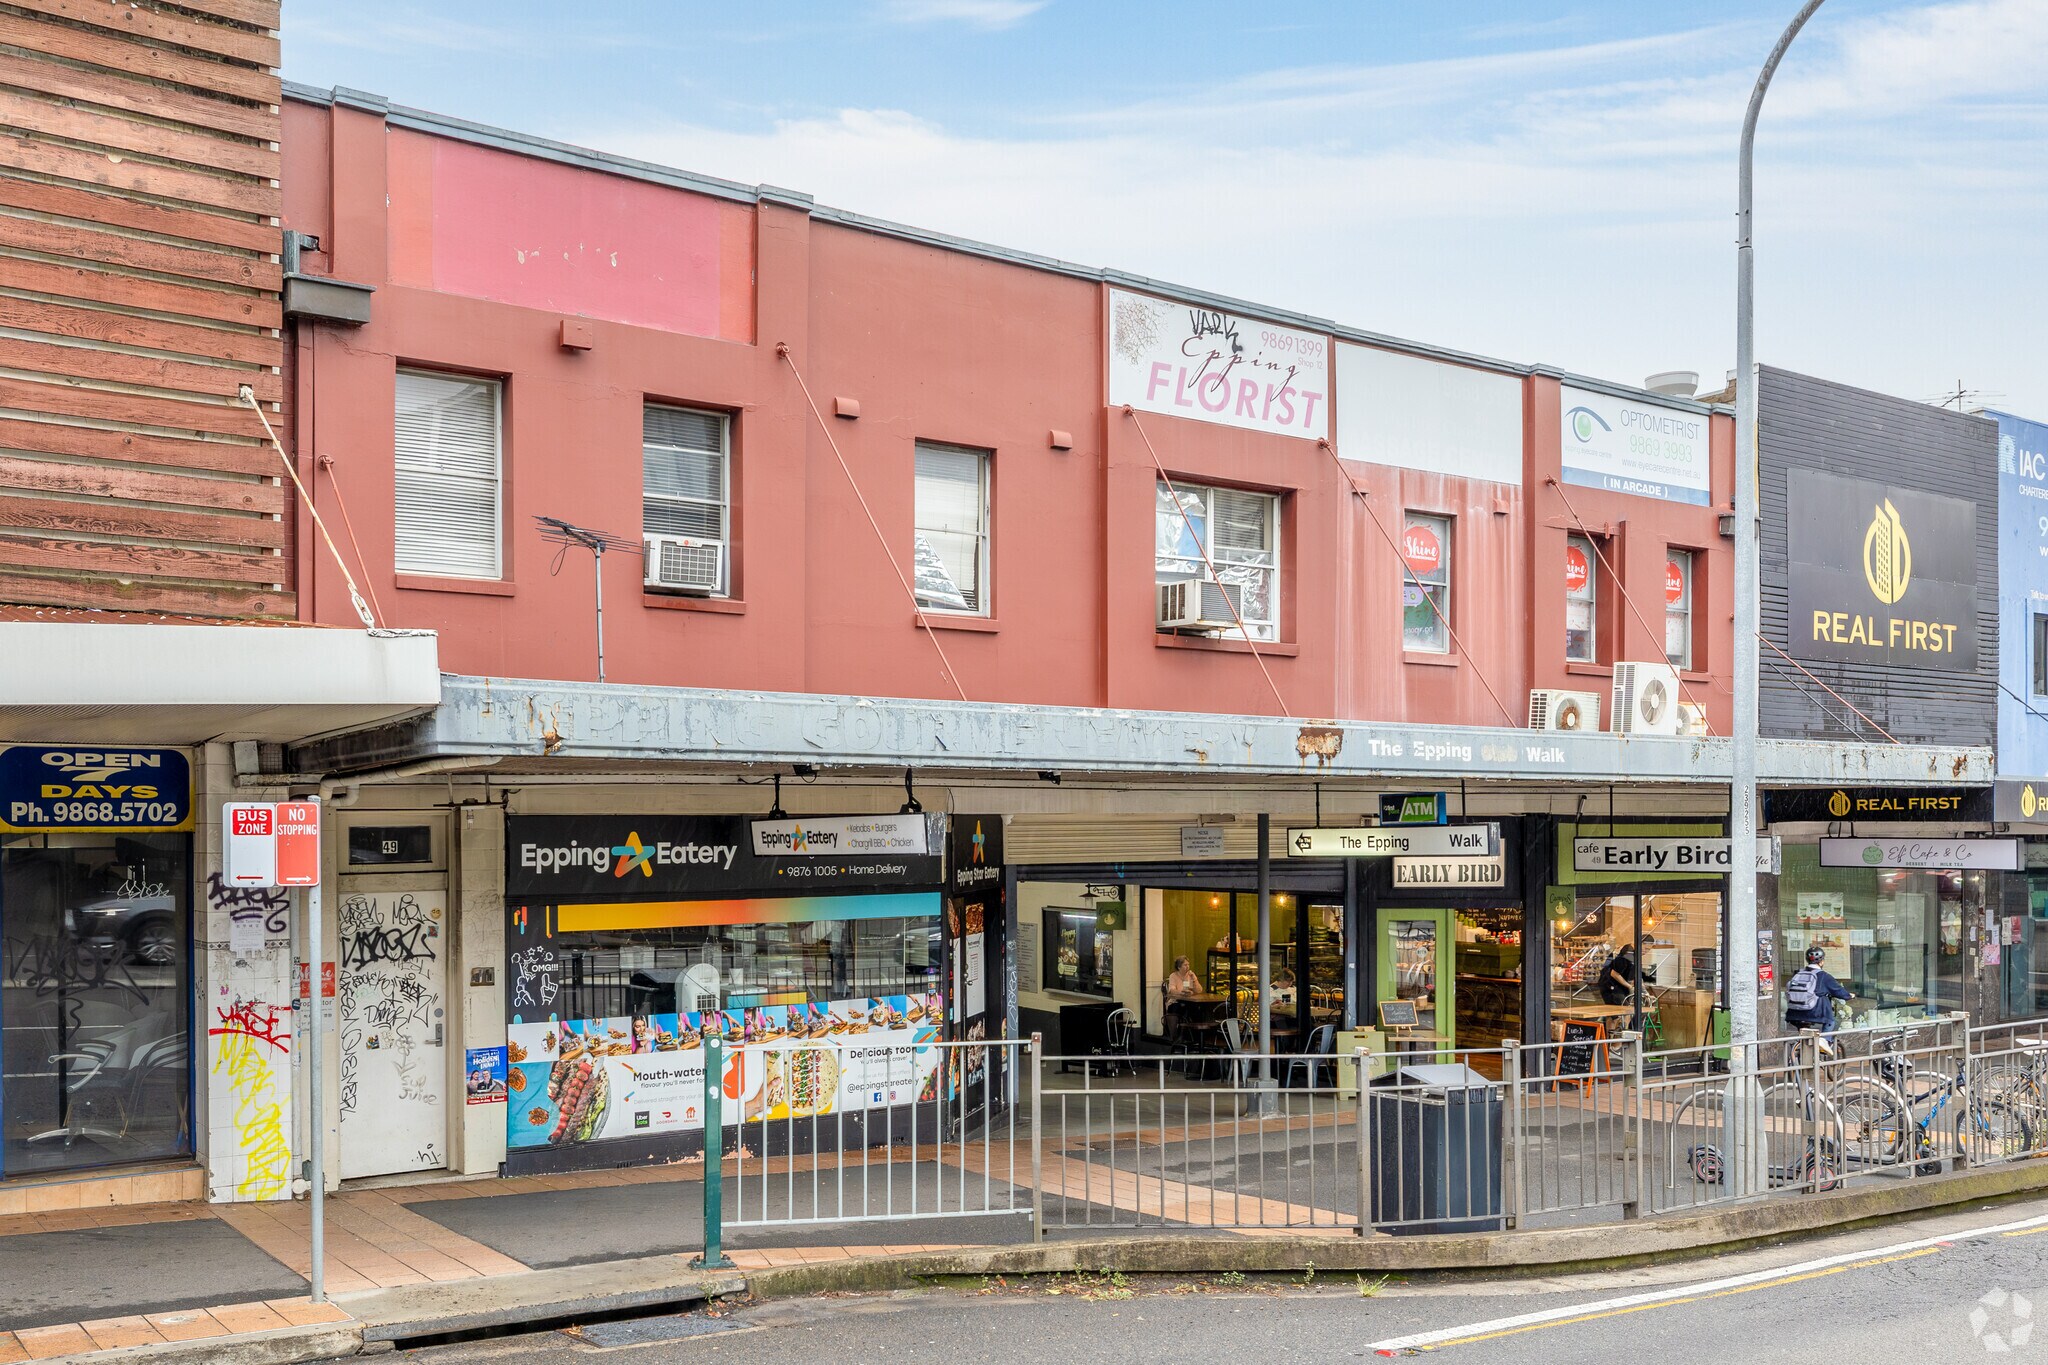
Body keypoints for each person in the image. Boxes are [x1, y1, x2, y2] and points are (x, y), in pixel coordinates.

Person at [1785, 947, 1852, 1034]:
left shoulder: (1797, 974)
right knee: (1831, 1022)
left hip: (1793, 1013)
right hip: (1814, 1013)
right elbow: (1839, 991)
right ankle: (1824, 1042)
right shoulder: (1823, 976)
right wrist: (1849, 995)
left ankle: (1801, 1045)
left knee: (1804, 1032)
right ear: (1822, 962)